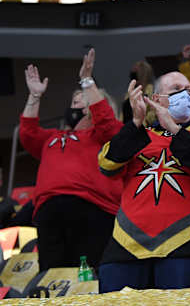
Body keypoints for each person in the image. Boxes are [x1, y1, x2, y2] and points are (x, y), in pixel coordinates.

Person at [97, 72, 190, 292]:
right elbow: (106, 165)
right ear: (156, 99)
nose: (186, 94)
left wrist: (176, 131)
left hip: (186, 242)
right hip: (126, 244)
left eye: (189, 89)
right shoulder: (137, 135)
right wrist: (136, 122)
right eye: (177, 88)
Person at [19, 49, 124, 271]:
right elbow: (27, 134)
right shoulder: (53, 137)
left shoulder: (106, 136)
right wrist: (35, 95)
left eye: (82, 100)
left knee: (89, 277)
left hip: (94, 209)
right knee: (51, 277)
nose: (76, 106)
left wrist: (87, 81)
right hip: (49, 212)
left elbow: (106, 122)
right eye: (74, 101)